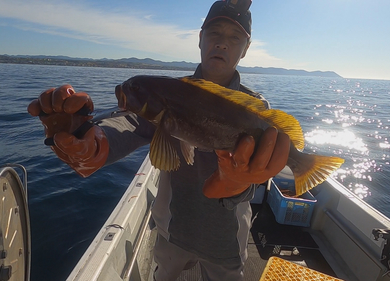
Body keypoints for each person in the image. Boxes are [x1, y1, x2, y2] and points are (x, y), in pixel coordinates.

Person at [28, 0, 290, 280]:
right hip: (172, 231)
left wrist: (238, 184)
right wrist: (93, 141)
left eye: (234, 37)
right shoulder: (167, 94)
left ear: (246, 49)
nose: (222, 44)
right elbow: (130, 120)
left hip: (226, 236)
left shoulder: (257, 110)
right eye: (214, 33)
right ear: (200, 39)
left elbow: (260, 170)